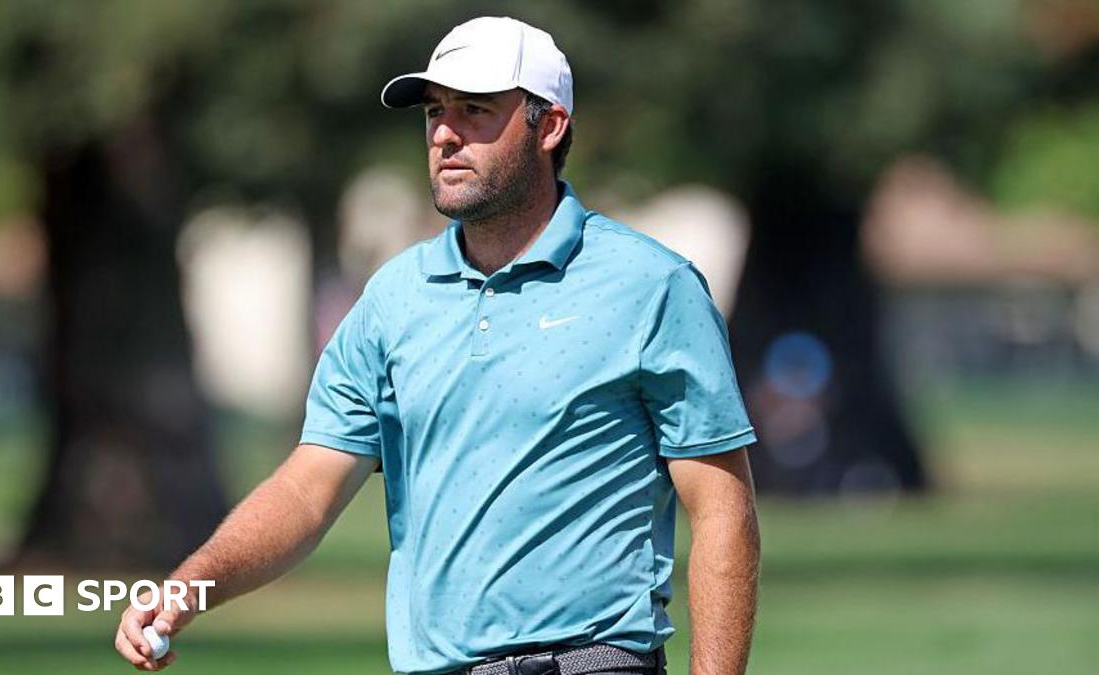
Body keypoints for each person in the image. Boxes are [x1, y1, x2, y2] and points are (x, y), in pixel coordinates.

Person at [114, 15, 760, 675]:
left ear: (551, 125)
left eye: (475, 110)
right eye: (434, 113)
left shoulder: (651, 285)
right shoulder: (393, 299)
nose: (445, 133)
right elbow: (307, 490)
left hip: (591, 662)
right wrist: (186, 589)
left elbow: (721, 509)